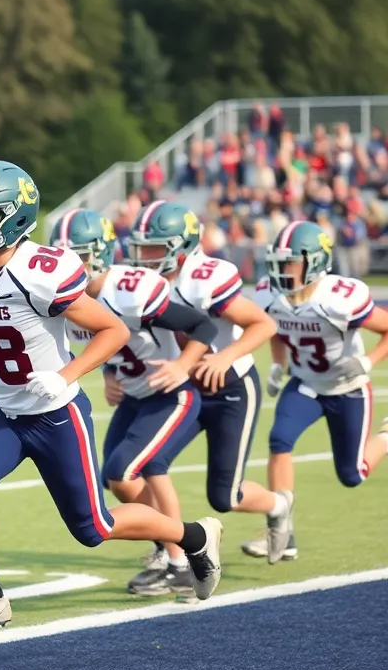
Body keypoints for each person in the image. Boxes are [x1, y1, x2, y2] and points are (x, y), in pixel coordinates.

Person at [0, 160, 225, 640]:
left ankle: (193, 536)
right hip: (2, 411)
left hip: (56, 414)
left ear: (13, 217)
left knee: (94, 528)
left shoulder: (40, 272)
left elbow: (114, 328)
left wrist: (67, 375)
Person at [49, 208, 220, 597]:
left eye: (75, 254)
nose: (67, 265)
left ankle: (181, 559)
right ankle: (171, 547)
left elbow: (202, 326)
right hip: (135, 397)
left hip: (169, 394)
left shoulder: (129, 290)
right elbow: (109, 343)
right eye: (60, 256)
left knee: (125, 470)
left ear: (100, 253)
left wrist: (183, 365)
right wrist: (110, 374)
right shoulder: (66, 298)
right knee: (115, 479)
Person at [115, 201, 284, 585]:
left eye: (155, 248)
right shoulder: (135, 283)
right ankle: (174, 556)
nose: (144, 257)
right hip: (183, 388)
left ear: (183, 245)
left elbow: (263, 324)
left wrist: (224, 357)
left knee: (225, 497)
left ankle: (278, 504)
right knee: (145, 465)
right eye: (140, 247)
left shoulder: (204, 277)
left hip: (230, 389)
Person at [254, 220, 388, 562]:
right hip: (306, 383)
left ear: (314, 262)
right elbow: (274, 329)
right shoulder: (270, 295)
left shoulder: (338, 299)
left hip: (347, 389)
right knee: (279, 439)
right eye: (279, 262)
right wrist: (277, 365)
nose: (282, 270)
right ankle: (284, 528)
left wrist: (368, 362)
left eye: (290, 262)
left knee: (351, 475)